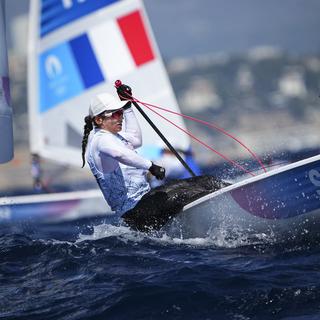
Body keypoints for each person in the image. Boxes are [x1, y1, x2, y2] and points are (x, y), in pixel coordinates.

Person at [81, 92, 165, 215]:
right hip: (131, 211)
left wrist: (128, 108)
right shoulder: (100, 140)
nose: (120, 117)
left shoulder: (115, 137)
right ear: (99, 120)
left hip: (143, 202)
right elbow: (119, 154)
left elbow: (136, 139)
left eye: (120, 113)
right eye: (115, 114)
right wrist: (150, 166)